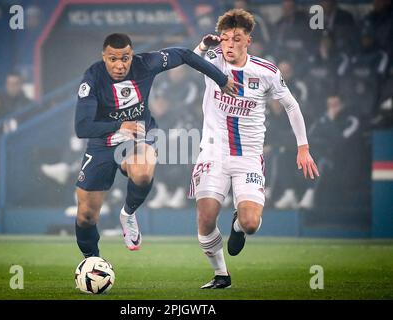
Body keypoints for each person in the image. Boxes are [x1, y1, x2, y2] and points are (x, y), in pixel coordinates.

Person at [74, 33, 242, 258]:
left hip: (139, 135)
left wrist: (221, 79)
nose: (120, 65)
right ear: (104, 57)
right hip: (102, 143)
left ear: (131, 56)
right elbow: (82, 127)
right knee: (86, 215)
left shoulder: (146, 64)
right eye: (113, 59)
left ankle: (128, 213)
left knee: (143, 172)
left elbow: (182, 55)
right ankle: (92, 262)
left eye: (125, 58)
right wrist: (119, 125)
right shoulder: (92, 78)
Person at [189, 9, 319, 288]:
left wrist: (303, 147)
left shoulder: (266, 72)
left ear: (248, 40)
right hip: (214, 152)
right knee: (206, 215)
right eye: (224, 39)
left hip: (248, 157)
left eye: (236, 39)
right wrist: (203, 45)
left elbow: (291, 105)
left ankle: (238, 226)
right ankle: (221, 274)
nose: (229, 45)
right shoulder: (213, 61)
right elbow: (191, 59)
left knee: (250, 223)